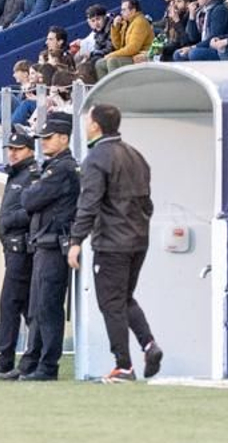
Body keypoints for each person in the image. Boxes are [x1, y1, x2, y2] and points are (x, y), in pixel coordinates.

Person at [67, 103, 163, 383]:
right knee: (124, 299)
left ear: (96, 125)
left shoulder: (97, 158)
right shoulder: (135, 155)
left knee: (111, 304)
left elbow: (89, 203)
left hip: (111, 243)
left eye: (87, 120)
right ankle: (149, 345)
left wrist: (76, 240)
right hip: (137, 240)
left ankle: (124, 366)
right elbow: (148, 202)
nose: (85, 125)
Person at [19, 111, 81, 382]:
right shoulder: (54, 167)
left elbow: (30, 200)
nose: (42, 142)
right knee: (37, 308)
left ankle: (46, 366)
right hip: (45, 243)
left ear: (64, 138)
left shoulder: (62, 169)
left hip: (54, 244)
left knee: (47, 307)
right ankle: (31, 363)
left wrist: (32, 190)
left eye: (48, 137)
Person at [0, 127, 43, 379]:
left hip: (22, 248)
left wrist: (8, 221)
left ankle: (6, 359)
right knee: (26, 308)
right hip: (13, 248)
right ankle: (29, 359)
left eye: (18, 149)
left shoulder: (32, 175)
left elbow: (34, 209)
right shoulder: (16, 175)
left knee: (10, 303)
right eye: (10, 149)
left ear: (29, 150)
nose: (12, 154)